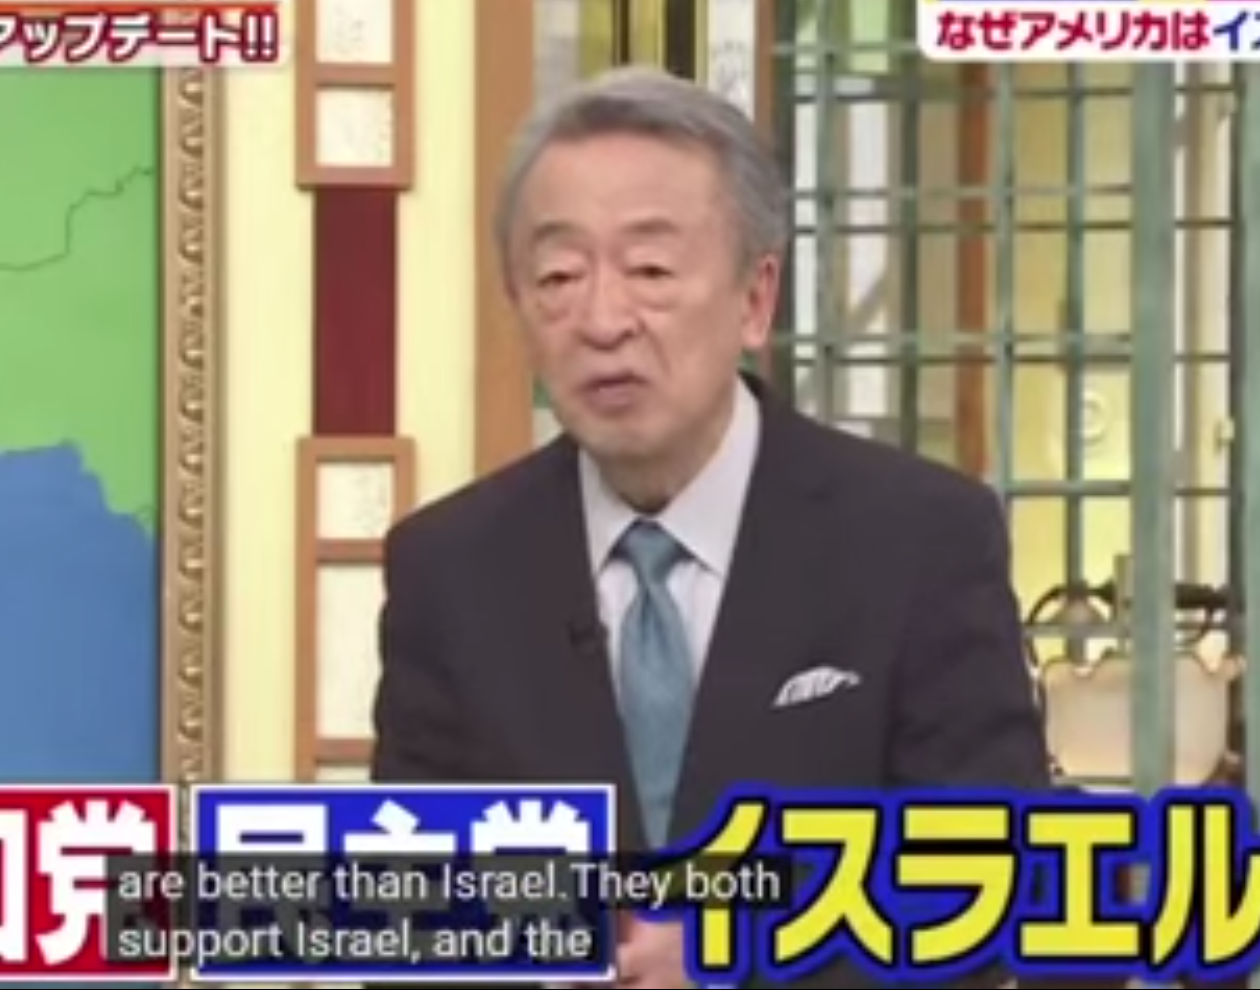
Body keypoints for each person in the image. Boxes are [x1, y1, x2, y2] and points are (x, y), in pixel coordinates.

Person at [370, 66, 1049, 987]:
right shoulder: (451, 569)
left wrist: (745, 951)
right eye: (559, 276)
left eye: (650, 270)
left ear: (755, 299)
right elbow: (408, 918)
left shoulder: (920, 539)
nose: (602, 320)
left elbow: (995, 884)